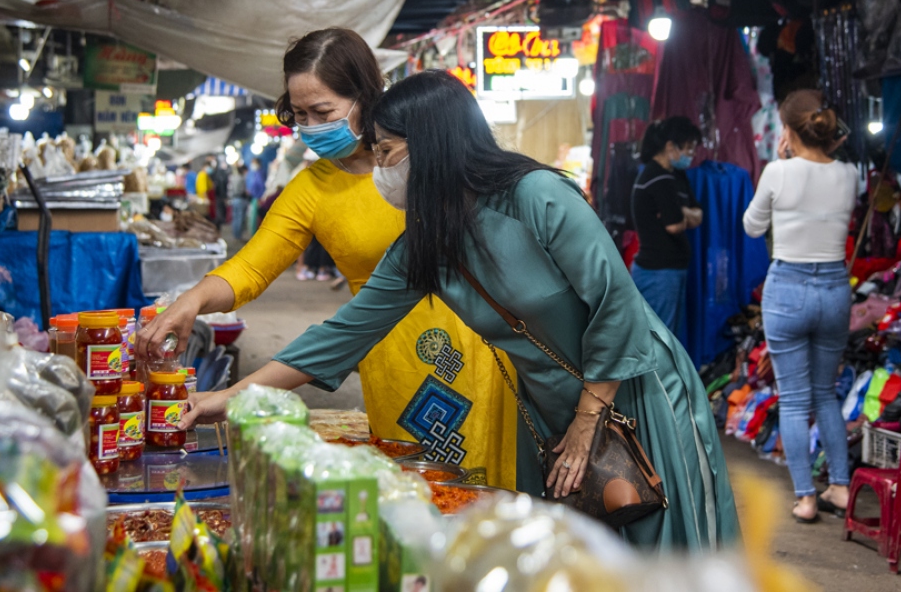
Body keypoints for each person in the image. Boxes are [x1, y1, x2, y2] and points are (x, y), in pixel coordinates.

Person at [182, 70, 740, 551]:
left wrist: (588, 421)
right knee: (577, 553)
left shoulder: (537, 196)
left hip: (631, 392)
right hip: (546, 412)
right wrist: (229, 397)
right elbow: (341, 334)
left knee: (658, 547)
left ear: (432, 143)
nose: (377, 168)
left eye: (385, 151)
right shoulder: (426, 242)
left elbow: (617, 304)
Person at [136, 28, 517, 488]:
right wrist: (191, 301)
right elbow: (252, 267)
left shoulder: (423, 154)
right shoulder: (312, 188)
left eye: (323, 111)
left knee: (494, 491)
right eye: (299, 115)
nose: (312, 126)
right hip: (387, 353)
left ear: (363, 97)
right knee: (416, 498)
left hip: (482, 343)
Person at [742, 88, 858, 524]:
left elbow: (752, 227)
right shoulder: (849, 175)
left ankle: (806, 498)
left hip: (788, 288)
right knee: (825, 393)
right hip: (833, 288)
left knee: (792, 401)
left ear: (787, 131)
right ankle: (842, 488)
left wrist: (782, 161)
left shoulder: (777, 172)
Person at [630, 117, 704, 339]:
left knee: (671, 338)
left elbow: (698, 214)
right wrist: (683, 215)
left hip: (673, 271)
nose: (691, 154)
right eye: (688, 148)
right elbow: (674, 226)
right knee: (661, 341)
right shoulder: (657, 177)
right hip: (658, 273)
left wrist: (682, 213)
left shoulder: (675, 175)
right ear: (671, 146)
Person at [228, 161, 249, 242]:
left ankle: (235, 234)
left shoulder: (232, 178)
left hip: (234, 199)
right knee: (240, 218)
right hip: (241, 199)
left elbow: (230, 189)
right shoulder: (242, 179)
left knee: (235, 217)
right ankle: (239, 235)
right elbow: (243, 190)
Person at [245, 157, 267, 231]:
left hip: (258, 198)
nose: (252, 165)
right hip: (254, 198)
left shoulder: (260, 173)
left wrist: (260, 197)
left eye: (254, 163)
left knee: (255, 219)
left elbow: (262, 186)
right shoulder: (254, 173)